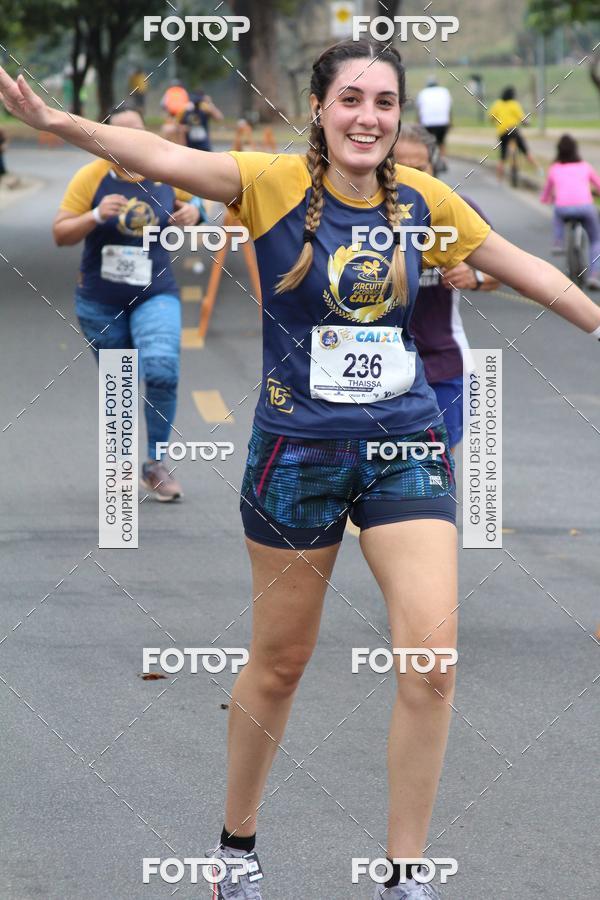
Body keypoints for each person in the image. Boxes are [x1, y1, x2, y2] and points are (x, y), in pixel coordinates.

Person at [2, 38, 599, 899]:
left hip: (405, 447)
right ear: (319, 109)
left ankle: (405, 875)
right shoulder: (269, 181)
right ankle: (236, 850)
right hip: (297, 453)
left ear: (399, 115)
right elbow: (158, 154)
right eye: (351, 99)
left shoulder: (425, 200)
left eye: (384, 102)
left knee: (432, 663)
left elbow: (527, 268)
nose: (368, 117)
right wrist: (57, 121)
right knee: (280, 664)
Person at [51, 106, 206, 501]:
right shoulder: (92, 177)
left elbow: (206, 200)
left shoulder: (168, 173)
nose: (129, 143)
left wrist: (196, 211)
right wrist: (94, 215)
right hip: (100, 301)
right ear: (105, 140)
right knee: (120, 383)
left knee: (162, 371)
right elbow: (61, 233)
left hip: (155, 293)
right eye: (119, 135)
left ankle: (155, 464)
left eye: (137, 133)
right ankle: (120, 465)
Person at [394, 124, 500, 452]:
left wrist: (475, 276)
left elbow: (500, 272)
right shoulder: (360, 212)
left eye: (420, 168)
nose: (412, 178)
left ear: (434, 166)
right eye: (401, 169)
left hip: (444, 364)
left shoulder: (456, 209)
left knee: (438, 467)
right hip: (377, 369)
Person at [540, 133, 600, 290]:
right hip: (585, 207)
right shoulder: (585, 166)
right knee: (596, 240)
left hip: (563, 209)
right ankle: (594, 275)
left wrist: (545, 199)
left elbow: (547, 192)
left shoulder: (554, 168)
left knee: (557, 212)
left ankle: (558, 242)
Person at [488, 86, 540, 181]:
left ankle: (499, 179)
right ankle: (539, 170)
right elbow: (523, 119)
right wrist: (527, 123)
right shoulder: (514, 104)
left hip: (502, 133)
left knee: (502, 157)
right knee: (525, 150)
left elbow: (491, 117)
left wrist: (496, 122)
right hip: (513, 131)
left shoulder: (497, 104)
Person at [415, 76, 452, 171]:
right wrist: (450, 122)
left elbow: (419, 110)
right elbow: (449, 109)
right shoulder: (444, 91)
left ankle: (427, 162)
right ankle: (443, 160)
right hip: (442, 122)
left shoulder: (423, 93)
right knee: (441, 142)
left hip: (427, 123)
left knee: (427, 143)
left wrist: (418, 124)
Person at [178, 88, 224, 152]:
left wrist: (210, 103)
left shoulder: (205, 110)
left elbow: (219, 118)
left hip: (204, 145)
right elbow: (180, 127)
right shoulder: (187, 110)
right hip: (190, 146)